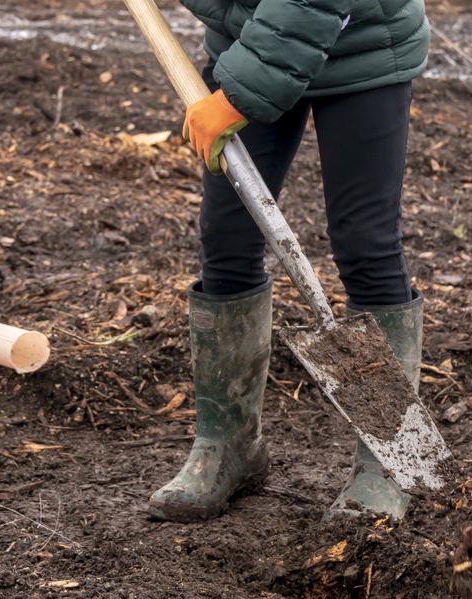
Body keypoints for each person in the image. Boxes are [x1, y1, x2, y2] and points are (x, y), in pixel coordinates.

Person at [148, 0, 429, 522]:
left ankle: (390, 464)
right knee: (227, 236)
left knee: (364, 244)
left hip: (362, 51)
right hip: (252, 45)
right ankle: (228, 445)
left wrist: (234, 96)